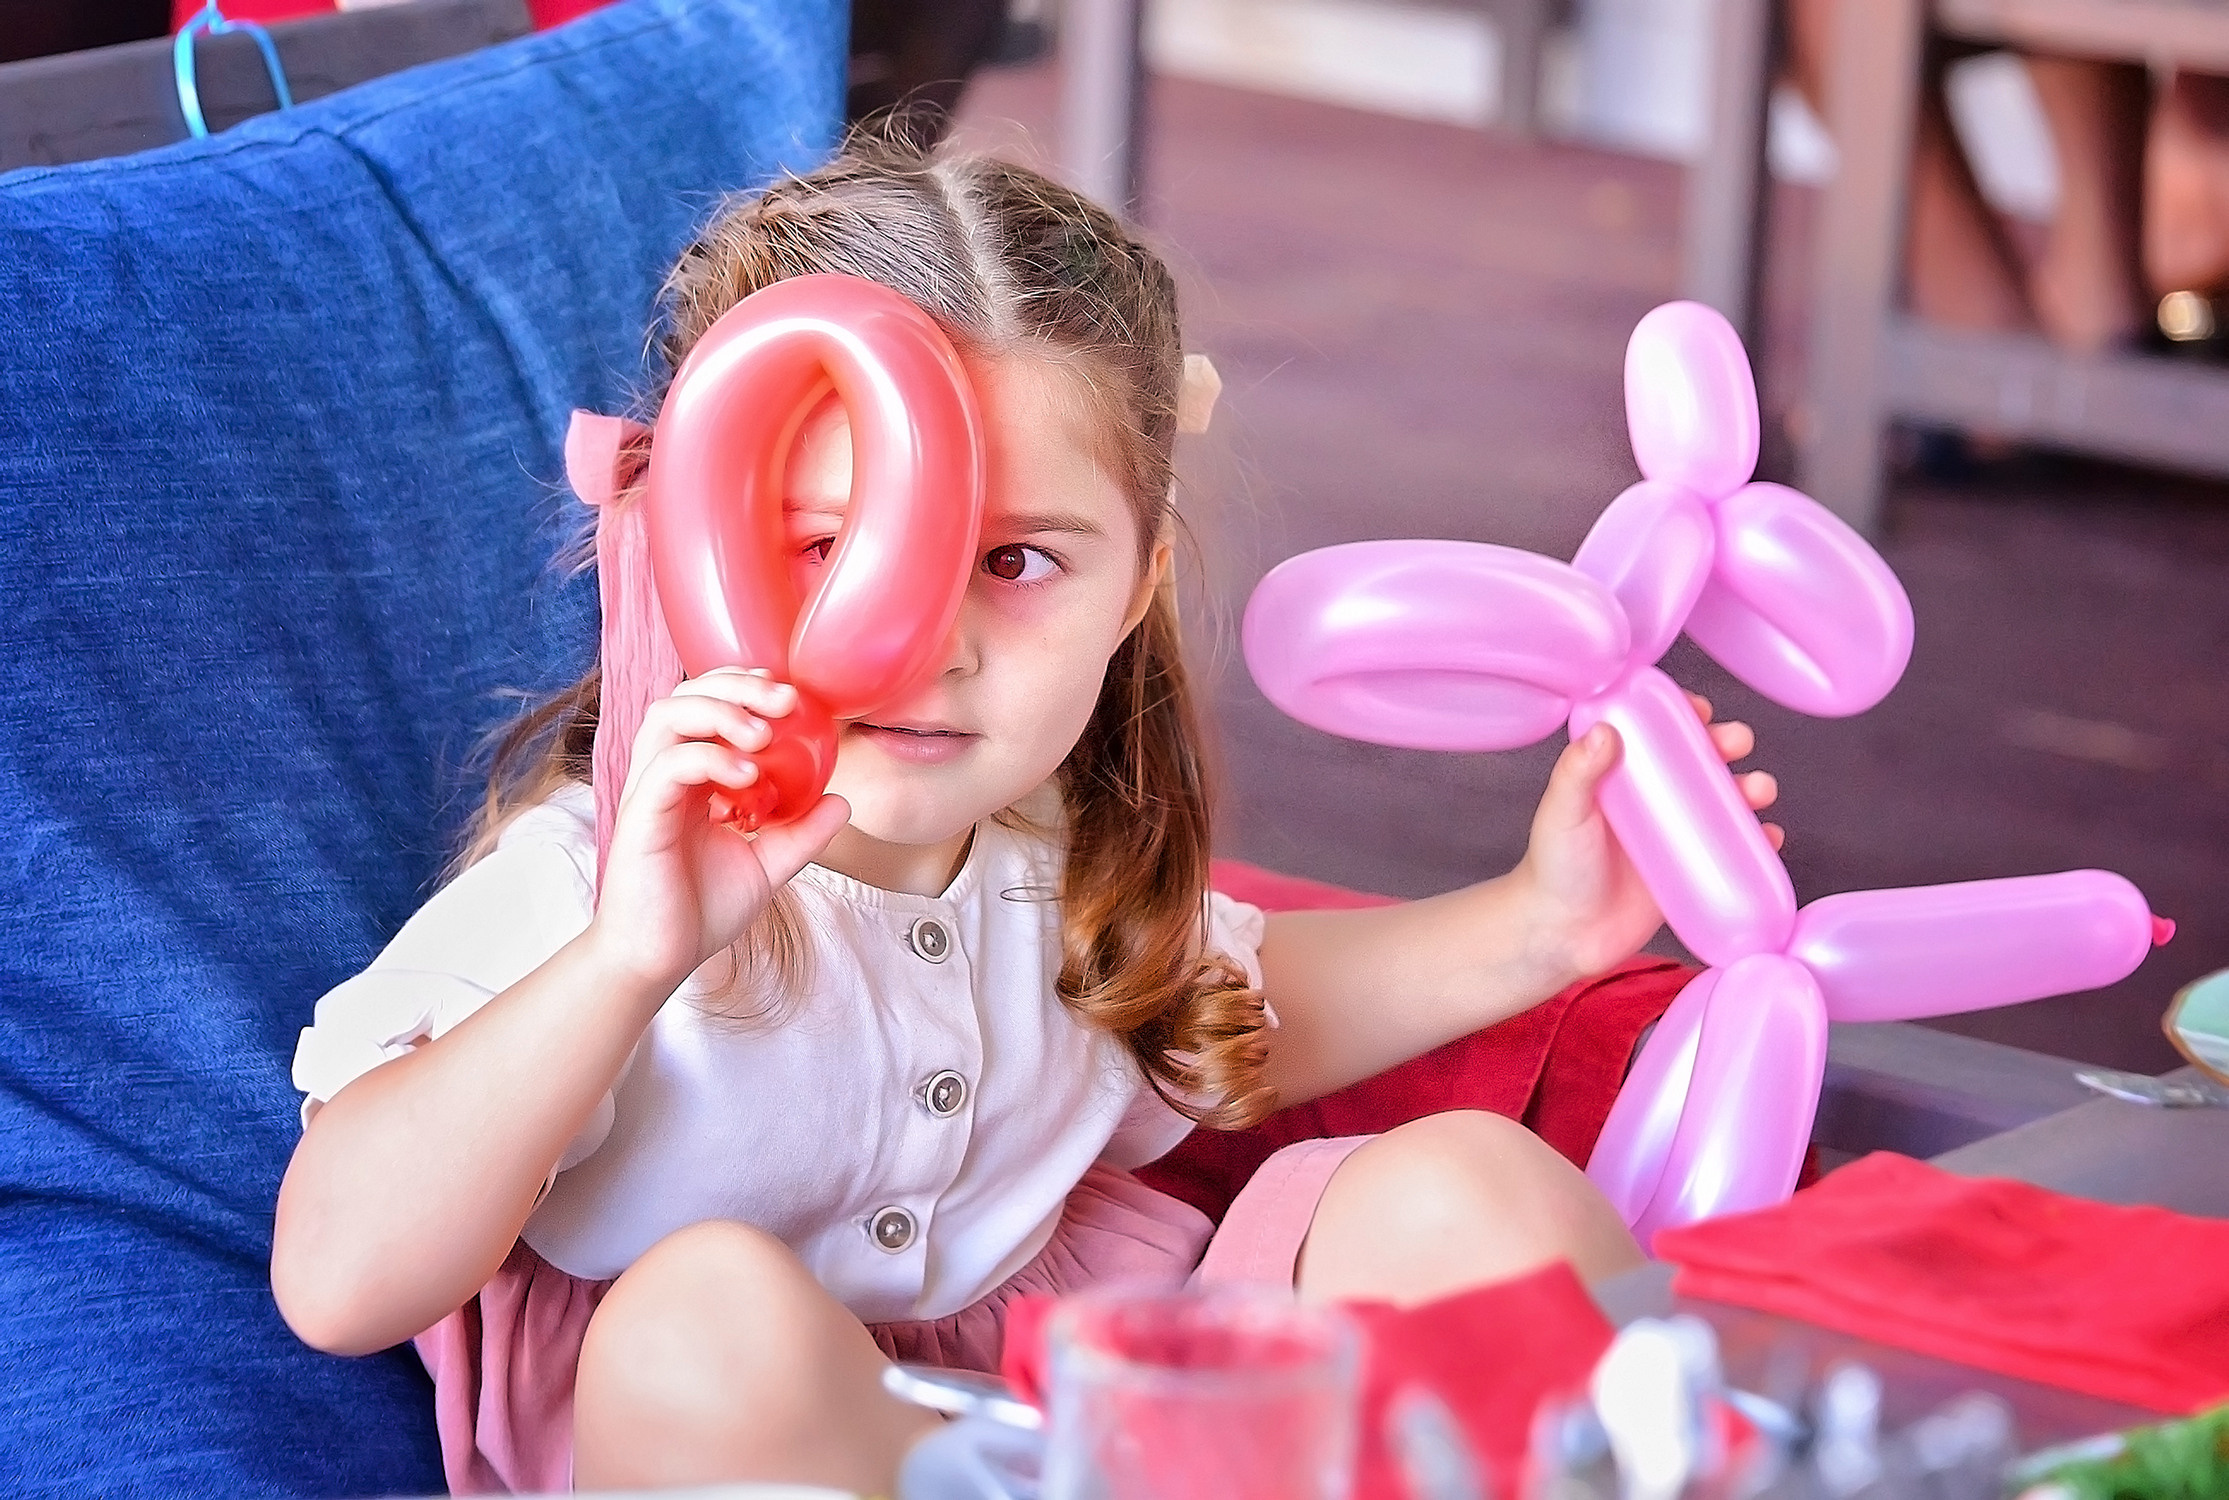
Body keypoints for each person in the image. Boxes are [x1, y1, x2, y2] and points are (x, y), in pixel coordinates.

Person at [267, 141, 1782, 1497]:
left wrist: (1542, 925)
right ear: (694, 552)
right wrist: (624, 962)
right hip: (749, 1445)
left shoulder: (1059, 855)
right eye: (824, 547)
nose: (925, 639)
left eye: (1016, 562)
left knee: (1462, 1194)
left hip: (1067, 1410)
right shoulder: (599, 877)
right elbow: (339, 1280)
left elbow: (1215, 1014)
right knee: (701, 1317)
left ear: (1133, 584)